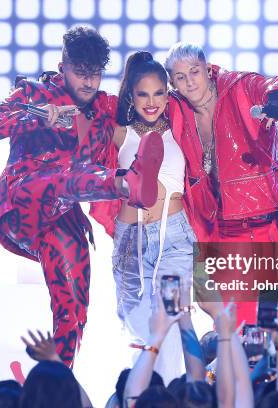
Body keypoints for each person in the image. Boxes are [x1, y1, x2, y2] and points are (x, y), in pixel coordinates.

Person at [0, 26, 163, 367]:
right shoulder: (34, 93)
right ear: (63, 67)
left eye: (95, 74)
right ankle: (126, 184)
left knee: (73, 309)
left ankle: (58, 381)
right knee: (64, 178)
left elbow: (146, 103)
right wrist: (34, 117)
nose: (89, 83)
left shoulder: (104, 107)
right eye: (81, 73)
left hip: (62, 216)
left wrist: (141, 68)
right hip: (22, 198)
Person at [164, 42, 278, 348]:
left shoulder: (240, 87)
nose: (190, 81)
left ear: (207, 70)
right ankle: (246, 386)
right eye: (180, 77)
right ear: (172, 82)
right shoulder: (175, 109)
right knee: (238, 323)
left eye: (195, 72)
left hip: (273, 217)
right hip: (227, 227)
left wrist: (277, 100)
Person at [106, 51, 199, 383]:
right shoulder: (119, 134)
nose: (151, 102)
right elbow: (78, 133)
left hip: (175, 239)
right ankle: (146, 393)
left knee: (171, 317)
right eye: (143, 93)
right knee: (138, 324)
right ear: (131, 95)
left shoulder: (181, 131)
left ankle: (171, 394)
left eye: (159, 93)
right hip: (131, 238)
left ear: (169, 92)